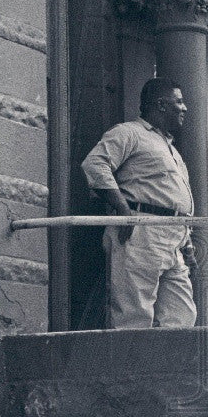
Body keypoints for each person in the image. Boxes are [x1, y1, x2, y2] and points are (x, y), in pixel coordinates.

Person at [81, 77, 197, 329]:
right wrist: (123, 210)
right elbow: (95, 165)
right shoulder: (128, 132)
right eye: (179, 101)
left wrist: (186, 241)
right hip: (141, 231)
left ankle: (167, 369)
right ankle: (129, 368)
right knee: (134, 314)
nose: (185, 108)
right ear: (161, 105)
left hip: (173, 237)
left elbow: (170, 197)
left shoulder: (169, 147)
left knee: (181, 317)